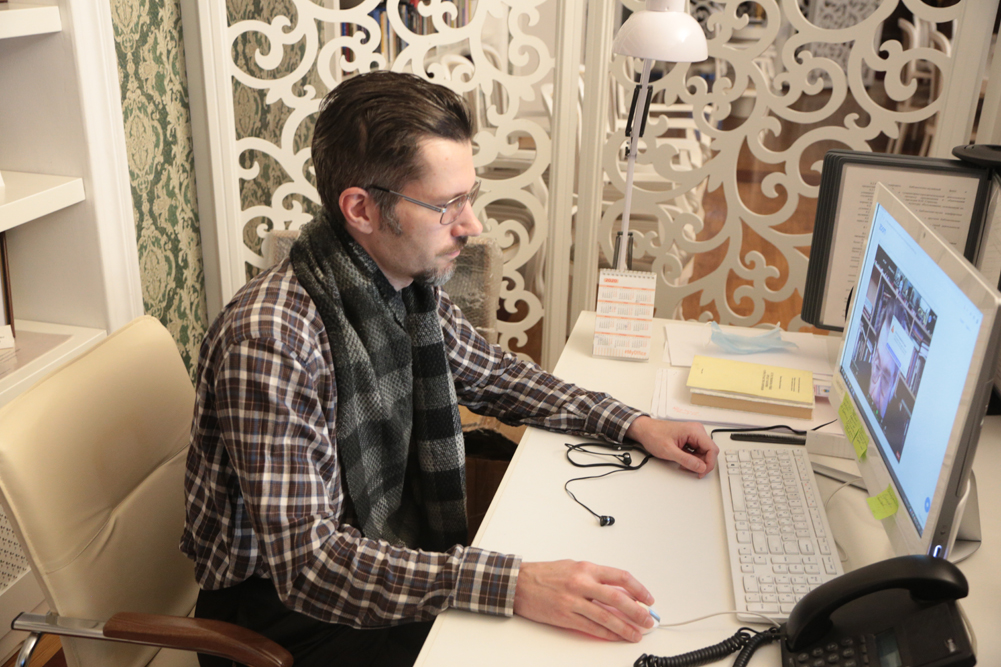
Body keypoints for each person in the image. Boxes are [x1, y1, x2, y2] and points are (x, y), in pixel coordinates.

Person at [181, 70, 718, 667]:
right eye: (446, 205)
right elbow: (310, 567)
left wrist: (633, 423)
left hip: (369, 564)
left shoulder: (401, 284)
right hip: (278, 620)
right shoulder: (271, 341)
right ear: (361, 209)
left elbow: (494, 376)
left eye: (469, 196)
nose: (471, 224)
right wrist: (515, 584)